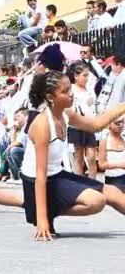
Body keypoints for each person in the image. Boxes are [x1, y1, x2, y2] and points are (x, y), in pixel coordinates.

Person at [22, 70, 125, 241]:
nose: (71, 94)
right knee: (96, 201)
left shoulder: (66, 114)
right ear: (50, 97)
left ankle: (46, 208)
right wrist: (42, 220)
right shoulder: (42, 125)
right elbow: (40, 176)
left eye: (70, 89)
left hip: (56, 175)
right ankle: (43, 210)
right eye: (64, 91)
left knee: (113, 192)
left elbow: (95, 124)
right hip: (37, 182)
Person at [67, 62, 98, 178]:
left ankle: (93, 182)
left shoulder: (89, 89)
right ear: (75, 76)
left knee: (91, 156)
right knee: (78, 156)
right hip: (77, 126)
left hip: (90, 125)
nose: (86, 78)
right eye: (84, 75)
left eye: (87, 76)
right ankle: (79, 183)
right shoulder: (71, 90)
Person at [98, 118, 125, 191]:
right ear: (108, 125)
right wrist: (121, 165)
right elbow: (101, 165)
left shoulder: (124, 138)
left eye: (122, 122)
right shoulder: (105, 141)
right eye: (117, 123)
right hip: (114, 178)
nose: (121, 125)